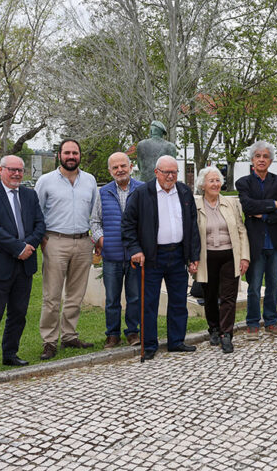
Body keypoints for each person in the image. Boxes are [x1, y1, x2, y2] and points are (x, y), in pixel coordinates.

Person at [122, 155, 200, 360]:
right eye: (166, 172)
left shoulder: (184, 192)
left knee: (178, 300)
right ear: (156, 172)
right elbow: (128, 225)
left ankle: (176, 341)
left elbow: (192, 226)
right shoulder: (141, 194)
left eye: (174, 172)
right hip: (151, 256)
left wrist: (193, 256)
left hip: (177, 254)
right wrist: (135, 249)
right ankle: (149, 344)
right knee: (149, 302)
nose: (170, 176)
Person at [0, 155, 46, 374]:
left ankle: (10, 354)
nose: (16, 174)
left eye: (20, 170)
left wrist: (29, 246)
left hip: (25, 264)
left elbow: (40, 224)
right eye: (12, 170)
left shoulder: (30, 194)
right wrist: (18, 248)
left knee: (18, 313)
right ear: (1, 170)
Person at [35, 139, 99, 359]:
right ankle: (49, 341)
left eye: (75, 153)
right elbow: (36, 212)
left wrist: (95, 240)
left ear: (80, 155)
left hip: (83, 242)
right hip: (55, 241)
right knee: (51, 296)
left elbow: (95, 213)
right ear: (59, 155)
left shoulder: (89, 180)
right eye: (67, 153)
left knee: (75, 295)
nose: (71, 156)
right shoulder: (46, 181)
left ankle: (69, 336)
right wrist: (42, 240)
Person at [236, 141, 277, 340]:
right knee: (253, 285)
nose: (261, 159)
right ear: (252, 160)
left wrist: (266, 215)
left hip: (276, 243)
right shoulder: (243, 182)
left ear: (270, 160)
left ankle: (271, 322)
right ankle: (252, 323)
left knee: (274, 285)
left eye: (265, 156)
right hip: (255, 243)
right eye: (258, 156)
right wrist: (273, 204)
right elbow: (248, 207)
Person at [90, 152, 144, 349]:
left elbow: (148, 221)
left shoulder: (142, 189)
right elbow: (95, 222)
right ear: (110, 171)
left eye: (123, 166)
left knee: (135, 296)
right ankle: (112, 335)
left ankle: (132, 332)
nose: (120, 170)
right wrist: (102, 240)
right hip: (111, 256)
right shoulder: (103, 192)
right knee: (112, 298)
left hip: (134, 254)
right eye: (115, 167)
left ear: (131, 167)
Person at [194, 167, 249, 353]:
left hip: (229, 256)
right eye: (212, 181)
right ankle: (214, 329)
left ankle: (227, 334)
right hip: (207, 256)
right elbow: (192, 234)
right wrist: (192, 260)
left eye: (218, 180)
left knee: (228, 297)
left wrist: (244, 257)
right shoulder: (196, 205)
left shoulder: (231, 203)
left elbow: (241, 230)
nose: (216, 184)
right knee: (209, 297)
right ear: (203, 185)